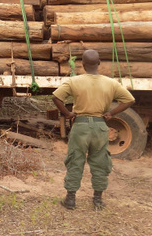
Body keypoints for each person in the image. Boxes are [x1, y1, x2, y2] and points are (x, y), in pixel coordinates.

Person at [52, 49, 135, 211]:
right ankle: (97, 200)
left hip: (80, 125)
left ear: (82, 65)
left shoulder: (74, 81)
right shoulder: (110, 83)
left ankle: (70, 200)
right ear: (99, 63)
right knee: (100, 161)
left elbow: (56, 97)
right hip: (100, 126)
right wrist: (111, 113)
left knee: (75, 160)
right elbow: (129, 100)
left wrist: (68, 114)